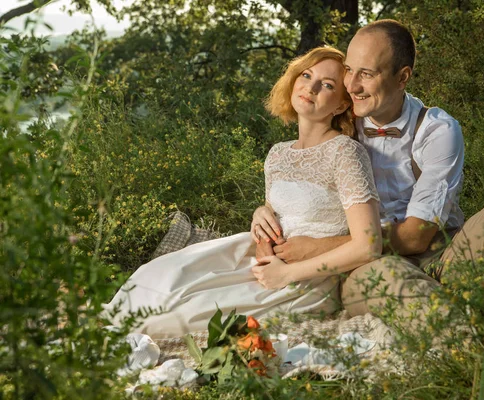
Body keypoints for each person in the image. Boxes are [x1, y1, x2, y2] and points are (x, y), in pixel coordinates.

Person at [252, 20, 484, 322]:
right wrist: (263, 211)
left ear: (402, 78)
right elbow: (299, 169)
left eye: (367, 74)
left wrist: (320, 247)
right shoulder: (340, 118)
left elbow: (416, 237)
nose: (352, 85)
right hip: (370, 266)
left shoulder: (438, 130)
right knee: (385, 277)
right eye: (349, 70)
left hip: (446, 252)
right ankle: (474, 339)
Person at [104, 47, 382, 339]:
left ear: (340, 105)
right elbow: (276, 213)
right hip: (258, 257)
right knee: (161, 275)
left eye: (327, 85)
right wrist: (261, 215)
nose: (310, 87)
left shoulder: (345, 153)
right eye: (306, 75)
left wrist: (287, 274)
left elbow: (368, 245)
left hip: (304, 279)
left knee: (180, 313)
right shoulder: (278, 154)